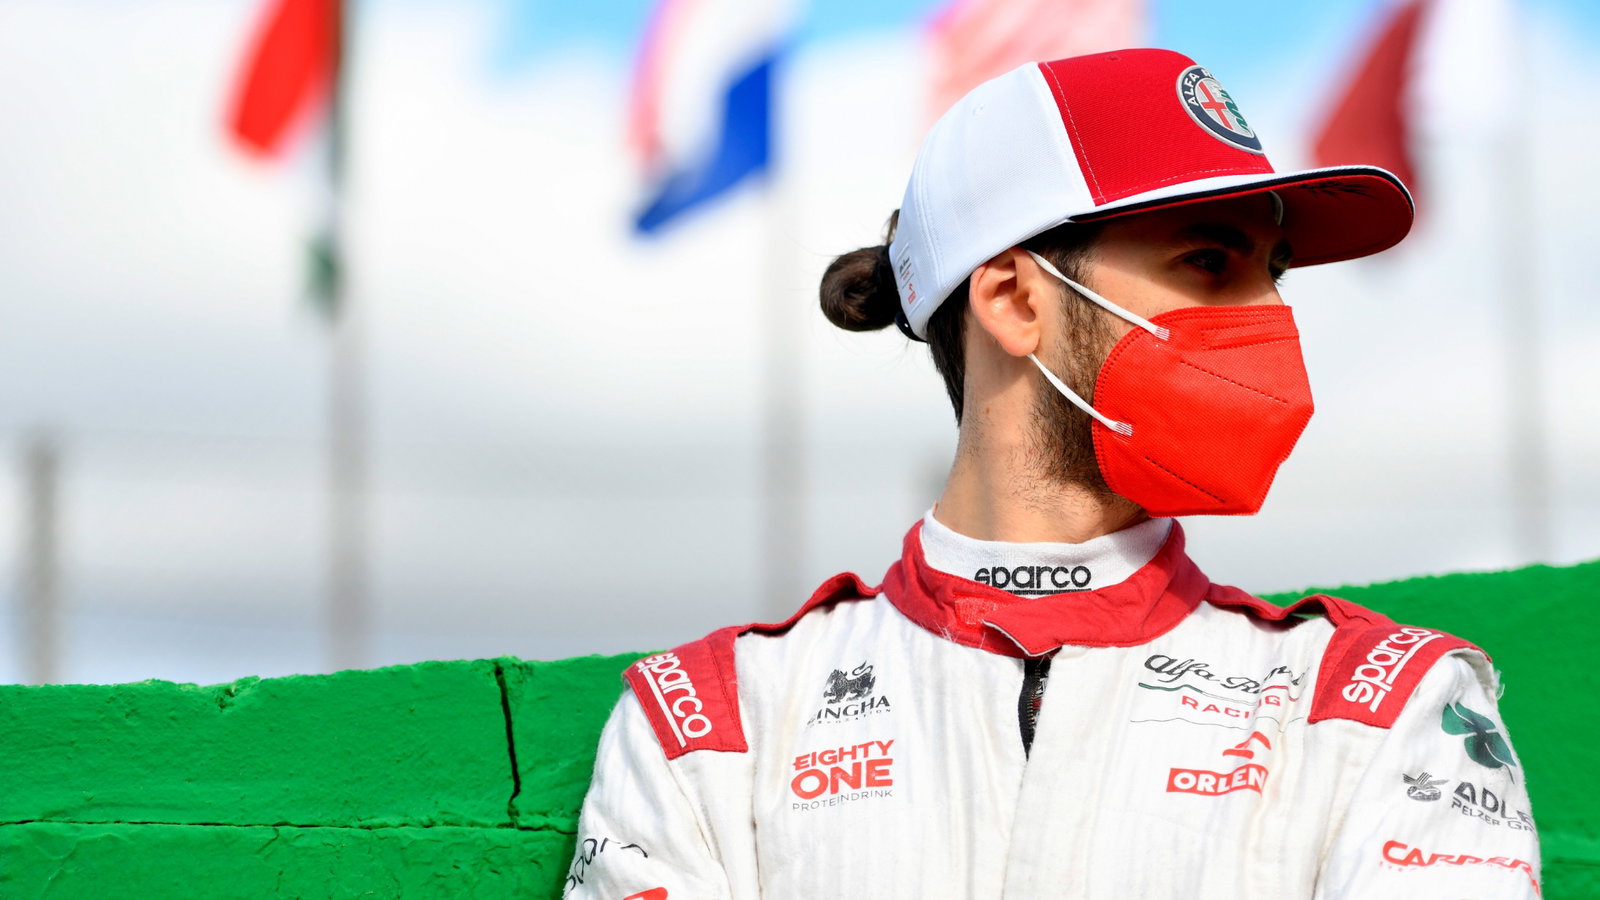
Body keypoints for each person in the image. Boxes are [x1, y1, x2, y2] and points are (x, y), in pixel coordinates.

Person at [563, 49, 1540, 899]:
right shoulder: (708, 722)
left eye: (1273, 272)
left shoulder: (1387, 704)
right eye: (1210, 262)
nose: (1270, 317)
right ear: (1014, 300)